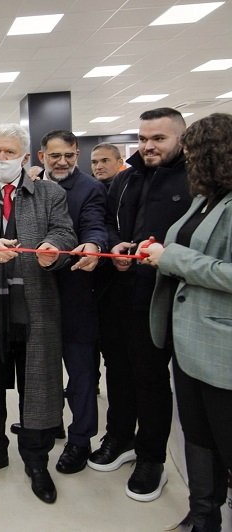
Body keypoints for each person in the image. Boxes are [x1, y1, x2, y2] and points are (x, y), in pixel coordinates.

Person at [0, 124, 76, 505]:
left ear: (24, 157)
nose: (2, 158)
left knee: (37, 386)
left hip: (35, 308)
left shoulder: (51, 193)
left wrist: (53, 247)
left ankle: (36, 461)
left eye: (9, 152)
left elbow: (65, 233)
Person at [92, 108, 192, 502]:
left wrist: (165, 256)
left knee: (150, 378)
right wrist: (113, 244)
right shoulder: (126, 178)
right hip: (118, 291)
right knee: (117, 371)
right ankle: (119, 437)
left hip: (162, 296)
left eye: (159, 139)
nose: (148, 146)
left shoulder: (192, 180)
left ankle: (152, 458)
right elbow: (107, 221)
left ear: (179, 138)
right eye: (143, 138)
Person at [147, 112, 232, 532]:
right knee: (197, 434)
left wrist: (173, 258)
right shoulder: (205, 199)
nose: (189, 162)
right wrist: (156, 250)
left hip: (221, 346)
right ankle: (202, 517)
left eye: (195, 154)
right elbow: (185, 247)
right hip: (186, 340)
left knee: (225, 437)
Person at [36, 130, 107, 475]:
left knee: (81, 375)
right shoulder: (30, 186)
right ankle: (50, 423)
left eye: (69, 155)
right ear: (42, 157)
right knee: (41, 371)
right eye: (55, 156)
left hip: (76, 295)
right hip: (37, 296)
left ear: (77, 155)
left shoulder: (89, 188)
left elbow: (95, 226)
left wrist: (93, 245)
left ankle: (81, 439)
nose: (62, 162)